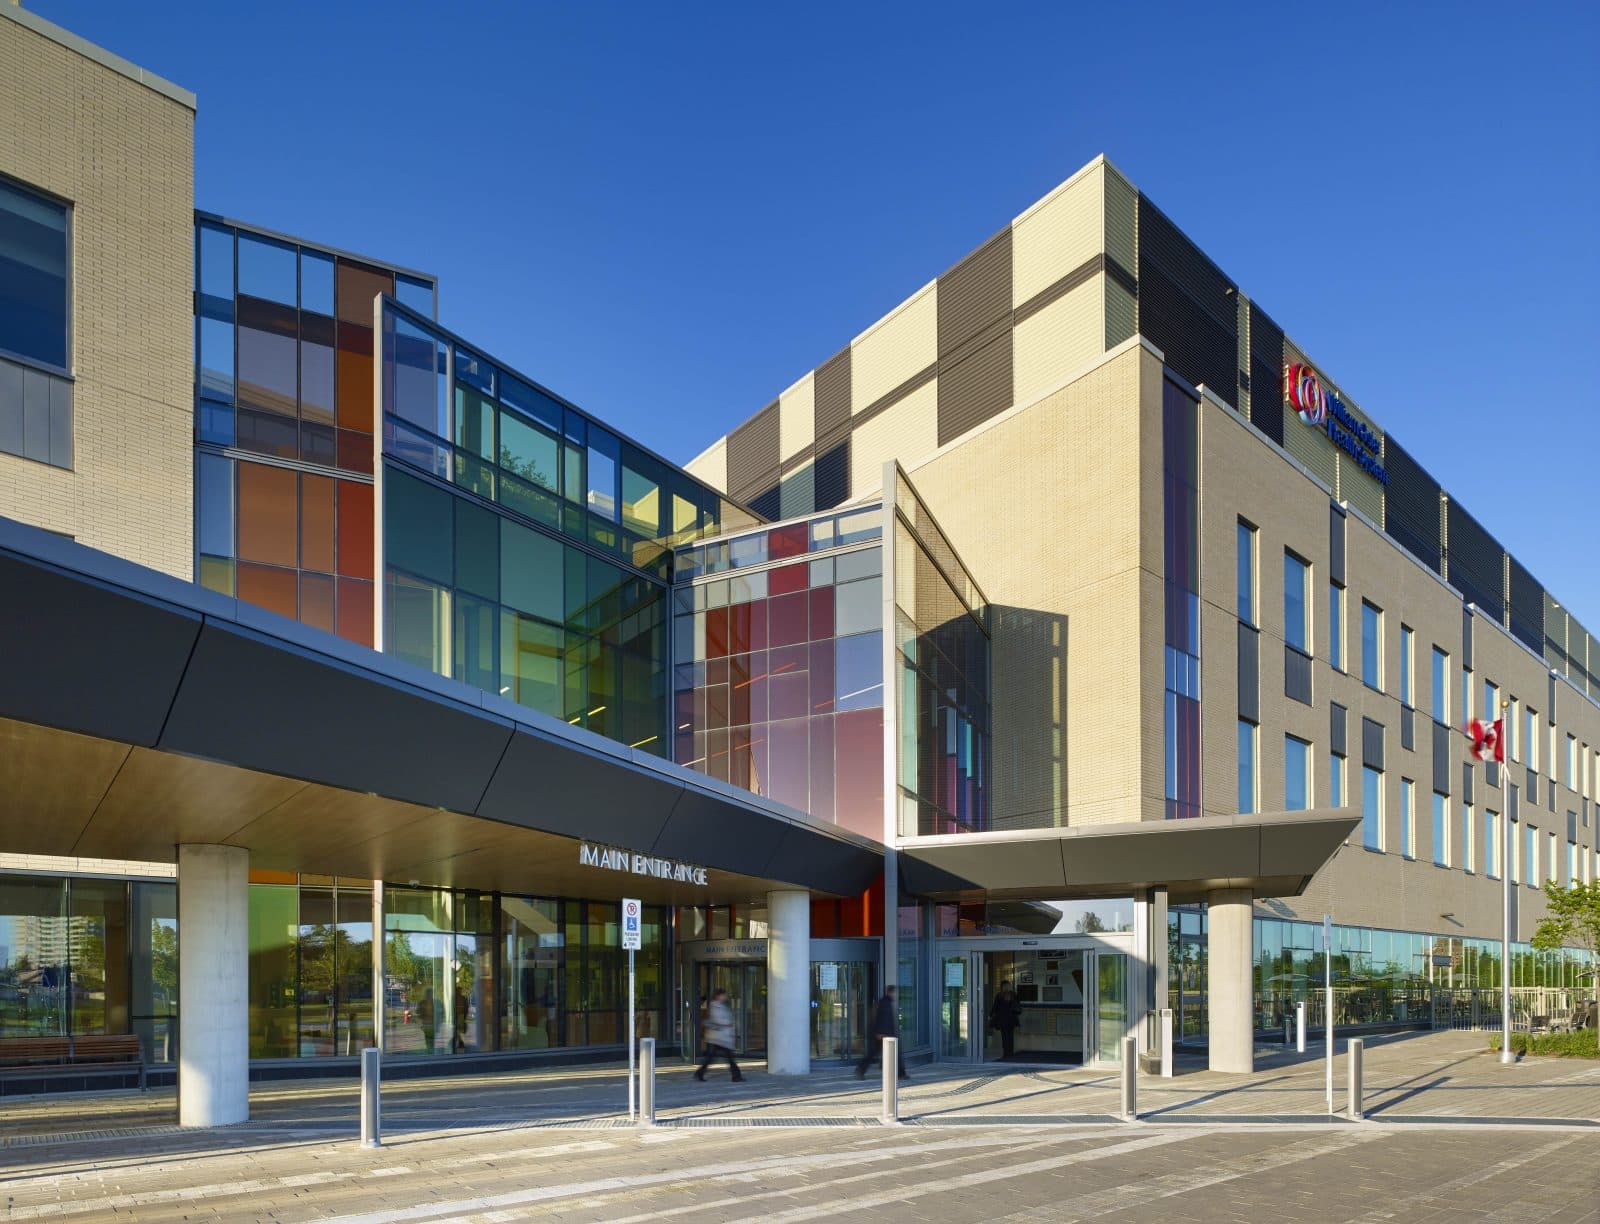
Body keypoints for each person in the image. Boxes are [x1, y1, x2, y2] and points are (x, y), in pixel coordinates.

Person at [856, 985, 910, 1080]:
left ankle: (861, 1069)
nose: (895, 994)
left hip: (885, 1034)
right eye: (894, 992)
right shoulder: (885, 1003)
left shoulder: (885, 1002)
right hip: (884, 1035)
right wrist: (880, 1033)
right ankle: (901, 1074)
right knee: (890, 1054)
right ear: (890, 992)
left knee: (874, 1053)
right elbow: (882, 1019)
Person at [695, 988, 743, 1082]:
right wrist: (728, 1023)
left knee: (712, 1057)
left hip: (720, 1037)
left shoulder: (721, 1005)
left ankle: (700, 1073)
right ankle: (736, 1076)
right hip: (719, 1037)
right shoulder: (715, 1006)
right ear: (718, 996)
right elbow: (717, 1020)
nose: (725, 997)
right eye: (723, 995)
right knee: (729, 1057)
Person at [989, 981, 1021, 1060]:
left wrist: (990, 1015)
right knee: (1010, 1036)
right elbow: (1018, 1005)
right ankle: (1011, 1052)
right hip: (1012, 1019)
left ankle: (1006, 1053)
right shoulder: (1014, 995)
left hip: (1002, 1019)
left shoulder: (999, 995)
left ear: (1002, 987)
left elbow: (995, 1007)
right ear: (1009, 986)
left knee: (1004, 1036)